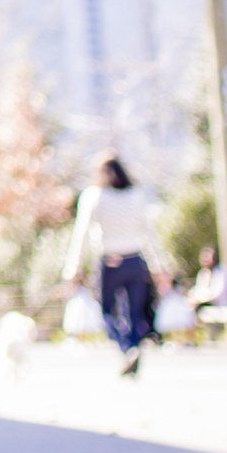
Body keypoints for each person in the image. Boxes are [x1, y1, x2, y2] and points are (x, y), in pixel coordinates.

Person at [61, 152, 158, 378]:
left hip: (111, 261)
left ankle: (127, 349)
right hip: (136, 260)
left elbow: (82, 233)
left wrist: (73, 267)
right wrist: (157, 264)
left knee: (107, 311)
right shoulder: (137, 195)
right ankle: (133, 348)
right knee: (134, 313)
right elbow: (149, 232)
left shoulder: (95, 196)